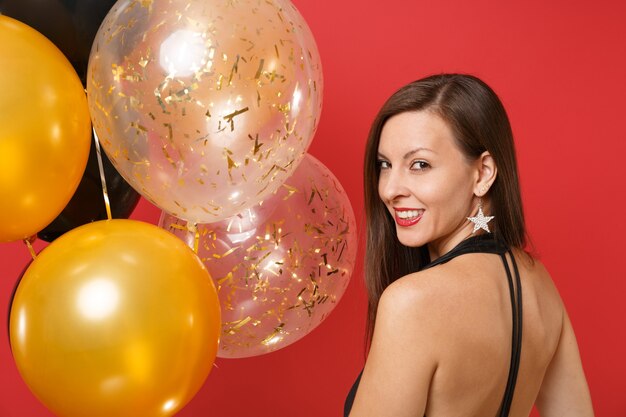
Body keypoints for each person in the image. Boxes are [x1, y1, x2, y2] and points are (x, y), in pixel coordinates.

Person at [344, 74, 593, 417]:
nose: (389, 189)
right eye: (385, 165)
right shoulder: (540, 286)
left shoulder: (411, 302)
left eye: (420, 165)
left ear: (483, 173)